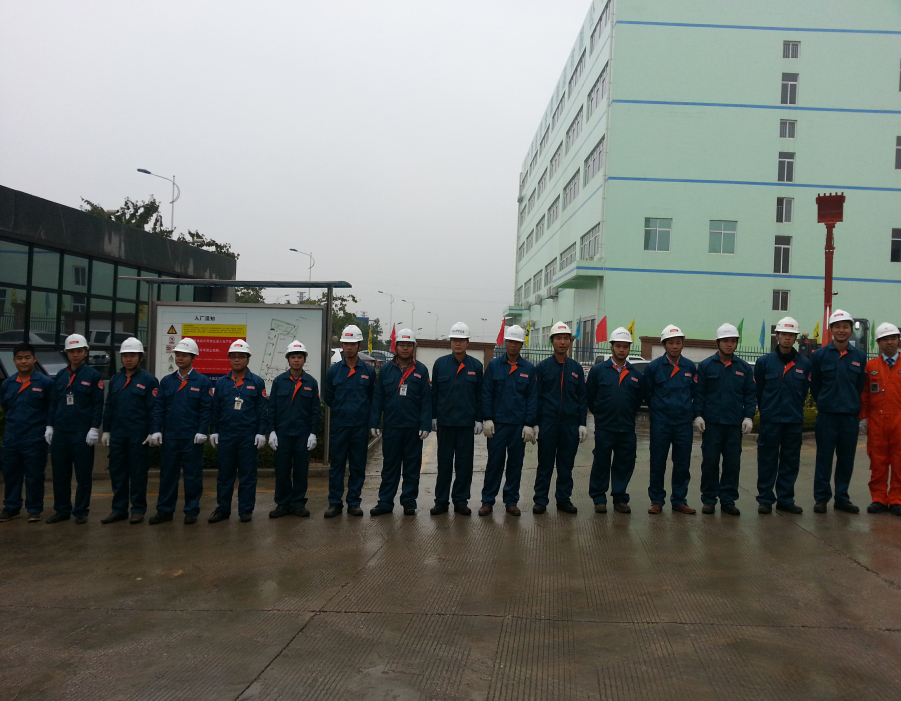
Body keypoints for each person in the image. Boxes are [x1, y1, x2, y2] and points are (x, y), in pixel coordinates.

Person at [694, 323, 756, 516]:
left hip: (734, 425)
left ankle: (728, 500)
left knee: (732, 464)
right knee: (710, 463)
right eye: (726, 341)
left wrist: (748, 416)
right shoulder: (705, 366)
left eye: (733, 341)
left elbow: (750, 394)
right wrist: (698, 415)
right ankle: (709, 500)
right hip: (712, 424)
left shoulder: (744, 368)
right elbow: (700, 393)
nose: (730, 344)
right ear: (718, 342)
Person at [148, 337, 212, 525]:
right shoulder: (167, 381)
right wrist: (156, 430)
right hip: (171, 437)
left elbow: (206, 409)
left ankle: (191, 510)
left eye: (184, 355)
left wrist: (202, 431)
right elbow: (159, 408)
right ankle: (165, 510)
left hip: (192, 438)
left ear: (193, 357)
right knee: (168, 475)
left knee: (193, 476)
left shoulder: (202, 381)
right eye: (178, 355)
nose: (180, 358)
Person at [810, 309, 867, 513]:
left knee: (846, 459)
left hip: (849, 417)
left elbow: (859, 385)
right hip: (827, 416)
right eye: (837, 327)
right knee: (823, 458)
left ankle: (842, 498)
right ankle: (821, 498)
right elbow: (815, 386)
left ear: (851, 330)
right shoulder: (820, 355)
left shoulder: (859, 356)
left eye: (845, 327)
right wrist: (826, 402)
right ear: (831, 329)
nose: (841, 330)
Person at [370, 329, 431, 516]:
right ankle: (385, 502)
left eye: (409, 345)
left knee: (412, 468)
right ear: (395, 347)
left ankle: (409, 502)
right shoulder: (386, 370)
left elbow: (426, 400)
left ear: (414, 347)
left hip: (413, 428)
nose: (405, 348)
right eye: (402, 345)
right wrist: (375, 422)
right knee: (390, 466)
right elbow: (378, 397)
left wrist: (425, 424)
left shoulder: (421, 370)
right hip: (392, 427)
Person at [99, 337, 159, 525]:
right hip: (118, 435)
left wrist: (153, 431)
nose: (128, 359)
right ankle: (119, 510)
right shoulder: (116, 379)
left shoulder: (149, 380)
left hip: (138, 436)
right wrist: (106, 430)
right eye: (125, 355)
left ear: (140, 357)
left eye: (132, 355)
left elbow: (154, 409)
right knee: (118, 473)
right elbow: (109, 406)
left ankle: (138, 510)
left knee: (138, 473)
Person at [479, 324, 537, 517]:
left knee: (515, 465)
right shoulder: (494, 365)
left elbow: (532, 397)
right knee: (494, 464)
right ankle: (487, 501)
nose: (513, 345)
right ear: (505, 342)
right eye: (510, 341)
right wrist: (487, 418)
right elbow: (486, 393)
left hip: (518, 426)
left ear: (521, 345)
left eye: (517, 342)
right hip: (497, 425)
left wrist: (529, 423)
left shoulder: (528, 368)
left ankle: (511, 501)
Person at [46, 334, 104, 525]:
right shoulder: (60, 375)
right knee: (60, 475)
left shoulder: (93, 376)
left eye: (79, 351)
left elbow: (98, 405)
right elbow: (53, 402)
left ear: (86, 352)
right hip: (61, 433)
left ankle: (81, 511)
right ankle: (62, 510)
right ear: (67, 353)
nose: (75, 355)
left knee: (83, 475)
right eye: (71, 351)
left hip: (82, 433)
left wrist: (94, 428)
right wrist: (49, 425)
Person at [208, 340, 268, 523]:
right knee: (225, 475)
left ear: (248, 359)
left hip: (248, 436)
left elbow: (261, 410)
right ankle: (223, 509)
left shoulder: (257, 382)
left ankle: (245, 509)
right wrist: (214, 430)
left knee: (248, 475)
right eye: (233, 356)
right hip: (227, 435)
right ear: (229, 359)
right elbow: (216, 409)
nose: (237, 360)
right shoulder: (222, 383)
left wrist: (261, 432)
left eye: (241, 357)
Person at [754, 317, 809, 514]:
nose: (787, 338)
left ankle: (785, 499)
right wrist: (766, 411)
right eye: (784, 334)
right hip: (770, 420)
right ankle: (765, 499)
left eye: (791, 335)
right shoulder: (764, 363)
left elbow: (804, 391)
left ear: (796, 338)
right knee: (767, 460)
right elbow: (759, 391)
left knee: (790, 461)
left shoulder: (804, 364)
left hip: (793, 420)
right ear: (777, 335)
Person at [585, 327, 643, 514]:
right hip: (605, 427)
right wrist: (601, 415)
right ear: (611, 347)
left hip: (627, 428)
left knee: (624, 464)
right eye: (618, 346)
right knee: (601, 463)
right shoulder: (598, 371)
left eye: (625, 346)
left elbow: (637, 400)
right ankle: (599, 499)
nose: (621, 350)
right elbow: (590, 397)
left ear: (629, 349)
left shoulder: (635, 374)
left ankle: (620, 498)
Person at [532, 321, 588, 515]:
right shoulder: (542, 368)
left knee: (566, 465)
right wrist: (534, 423)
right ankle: (540, 500)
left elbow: (582, 397)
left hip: (570, 425)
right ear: (552, 341)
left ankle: (563, 499)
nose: (562, 342)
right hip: (547, 423)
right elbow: (536, 397)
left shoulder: (576, 368)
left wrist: (582, 423)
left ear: (570, 342)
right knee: (545, 464)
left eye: (566, 338)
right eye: (558, 338)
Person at [430, 322, 484, 516]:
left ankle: (461, 501)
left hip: (465, 424)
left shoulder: (476, 366)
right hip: (445, 423)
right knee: (444, 464)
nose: (458, 344)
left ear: (468, 342)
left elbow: (479, 395)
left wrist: (479, 419)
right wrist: (433, 416)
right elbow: (434, 393)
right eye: (454, 340)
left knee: (464, 465)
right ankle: (441, 502)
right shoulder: (440, 364)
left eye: (461, 340)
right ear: (450, 342)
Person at [643, 325, 698, 515]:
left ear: (683, 344)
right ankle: (657, 500)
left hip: (683, 423)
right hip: (661, 423)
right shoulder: (654, 367)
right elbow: (648, 393)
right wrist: (660, 409)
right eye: (671, 343)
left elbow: (694, 392)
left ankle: (679, 500)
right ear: (664, 345)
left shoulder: (689, 367)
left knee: (682, 463)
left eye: (678, 343)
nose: (675, 346)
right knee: (657, 462)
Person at [322, 325, 375, 518]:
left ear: (359, 345)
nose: (349, 347)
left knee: (357, 466)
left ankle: (354, 502)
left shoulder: (368, 371)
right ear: (342, 345)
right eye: (346, 343)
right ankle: (335, 503)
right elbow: (329, 397)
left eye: (353, 344)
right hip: (340, 426)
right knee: (337, 465)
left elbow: (372, 397)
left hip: (360, 427)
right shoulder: (334, 371)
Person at [0, 343, 53, 523]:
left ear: (34, 359)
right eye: (20, 358)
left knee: (34, 475)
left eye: (27, 357)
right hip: (12, 438)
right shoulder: (7, 384)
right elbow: (6, 407)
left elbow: (51, 408)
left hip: (35, 438)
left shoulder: (45, 383)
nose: (24, 361)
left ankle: (34, 509)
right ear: (14, 361)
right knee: (11, 474)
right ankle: (11, 507)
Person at [268, 340, 321, 518]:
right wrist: (272, 431)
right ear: (288, 359)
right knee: (282, 471)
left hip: (302, 435)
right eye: (293, 357)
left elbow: (315, 411)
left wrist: (313, 433)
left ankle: (298, 503)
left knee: (300, 471)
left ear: (304, 360)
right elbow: (272, 408)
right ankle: (283, 504)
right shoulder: (279, 381)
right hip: (282, 435)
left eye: (299, 357)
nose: (296, 360)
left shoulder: (311, 382)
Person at [859, 322, 901, 515]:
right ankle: (879, 498)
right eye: (885, 339)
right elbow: (864, 394)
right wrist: (863, 418)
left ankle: (897, 499)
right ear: (878, 342)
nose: (889, 342)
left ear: (898, 341)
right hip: (877, 421)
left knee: (899, 462)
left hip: (899, 421)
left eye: (893, 338)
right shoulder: (870, 367)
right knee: (877, 462)